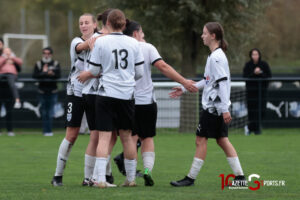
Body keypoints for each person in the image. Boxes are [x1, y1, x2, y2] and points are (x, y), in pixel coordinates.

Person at [113, 20, 197, 186]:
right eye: (142, 32)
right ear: (136, 33)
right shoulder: (147, 47)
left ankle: (130, 178)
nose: (143, 35)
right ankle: (147, 171)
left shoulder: (119, 48)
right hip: (147, 101)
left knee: (131, 138)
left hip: (127, 101)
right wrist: (184, 81)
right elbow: (163, 66)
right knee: (147, 138)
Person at [169, 22, 245, 187]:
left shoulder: (216, 57)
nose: (202, 36)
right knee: (222, 140)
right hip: (217, 107)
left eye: (204, 33)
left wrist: (224, 109)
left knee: (200, 139)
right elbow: (208, 81)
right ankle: (240, 178)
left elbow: (223, 83)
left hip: (214, 108)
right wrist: (185, 88)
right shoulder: (214, 56)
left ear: (213, 36)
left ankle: (190, 178)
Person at [78, 9, 144, 188]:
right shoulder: (134, 43)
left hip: (106, 95)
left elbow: (92, 71)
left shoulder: (101, 42)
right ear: (124, 24)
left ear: (106, 24)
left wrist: (90, 74)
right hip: (126, 96)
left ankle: (100, 179)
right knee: (127, 137)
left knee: (104, 137)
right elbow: (139, 72)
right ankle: (130, 179)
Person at [51, 13, 102, 186]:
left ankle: (89, 178)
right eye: (81, 23)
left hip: (94, 91)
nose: (84, 25)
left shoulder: (102, 39)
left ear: (95, 24)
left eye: (87, 22)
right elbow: (84, 46)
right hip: (76, 91)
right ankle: (57, 175)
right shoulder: (76, 41)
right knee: (72, 134)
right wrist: (106, 35)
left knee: (97, 135)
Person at [33, 47, 61, 136]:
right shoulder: (38, 64)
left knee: (50, 111)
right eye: (45, 53)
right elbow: (35, 76)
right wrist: (44, 72)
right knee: (44, 112)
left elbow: (58, 75)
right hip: (42, 91)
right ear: (43, 54)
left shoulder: (55, 63)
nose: (46, 55)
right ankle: (45, 131)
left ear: (51, 54)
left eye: (48, 53)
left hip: (53, 91)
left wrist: (52, 74)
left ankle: (49, 131)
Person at [243, 48, 272, 135]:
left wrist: (261, 73)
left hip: (261, 92)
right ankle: (256, 130)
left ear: (259, 55)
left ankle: (249, 127)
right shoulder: (248, 65)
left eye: (256, 54)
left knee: (261, 111)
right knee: (252, 112)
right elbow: (245, 77)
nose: (255, 56)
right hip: (251, 93)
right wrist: (254, 73)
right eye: (253, 54)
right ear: (250, 56)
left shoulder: (264, 64)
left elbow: (269, 76)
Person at [0, 39, 23, 136]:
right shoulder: (2, 58)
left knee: (9, 110)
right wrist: (5, 58)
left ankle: (17, 100)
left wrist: (12, 58)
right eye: (6, 52)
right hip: (1, 84)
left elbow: (20, 62)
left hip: (9, 86)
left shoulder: (13, 59)